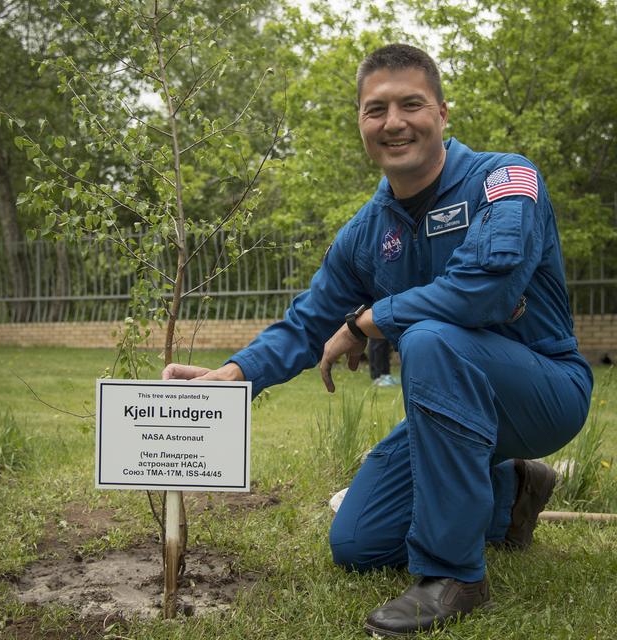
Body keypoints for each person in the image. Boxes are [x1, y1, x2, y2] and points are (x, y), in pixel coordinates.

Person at [163, 44, 593, 636]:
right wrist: (234, 376)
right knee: (358, 542)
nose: (394, 122)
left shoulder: (506, 179)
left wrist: (369, 320)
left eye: (411, 104)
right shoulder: (366, 233)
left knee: (429, 339)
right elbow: (308, 322)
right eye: (376, 110)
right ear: (361, 124)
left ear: (442, 113)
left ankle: (453, 576)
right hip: (450, 416)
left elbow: (488, 288)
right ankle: (511, 490)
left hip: (546, 392)